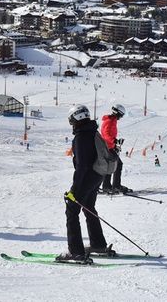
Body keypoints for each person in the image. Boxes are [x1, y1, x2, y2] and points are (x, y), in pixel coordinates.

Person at [58, 104, 115, 263]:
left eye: (71, 120)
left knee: (72, 210)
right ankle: (98, 244)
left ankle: (76, 252)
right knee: (89, 207)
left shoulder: (81, 137)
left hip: (88, 176)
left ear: (76, 118)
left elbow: (82, 166)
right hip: (98, 176)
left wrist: (74, 190)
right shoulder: (93, 132)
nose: (71, 123)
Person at [100, 104, 131, 194]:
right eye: (121, 115)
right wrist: (115, 141)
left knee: (112, 166)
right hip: (107, 148)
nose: (121, 117)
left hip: (109, 147)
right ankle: (114, 186)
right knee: (117, 165)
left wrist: (115, 144)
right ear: (118, 113)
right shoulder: (109, 121)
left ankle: (108, 186)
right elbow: (106, 135)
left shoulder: (112, 120)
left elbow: (109, 135)